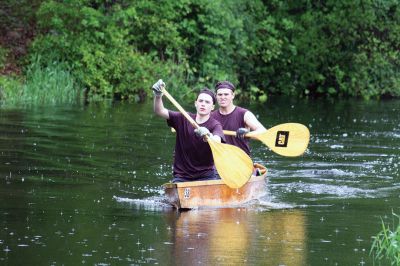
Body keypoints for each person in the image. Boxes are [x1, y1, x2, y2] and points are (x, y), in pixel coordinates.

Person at [152, 79, 225, 183]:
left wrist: (208, 134)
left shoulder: (215, 125)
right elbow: (159, 111)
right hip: (182, 175)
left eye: (207, 102)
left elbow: (217, 141)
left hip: (206, 175)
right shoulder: (183, 117)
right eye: (200, 101)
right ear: (196, 103)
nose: (203, 104)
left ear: (212, 107)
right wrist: (158, 96)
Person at [211, 81, 266, 155]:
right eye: (220, 95)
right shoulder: (211, 116)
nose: (222, 97)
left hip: (241, 159)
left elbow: (263, 132)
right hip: (220, 159)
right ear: (216, 96)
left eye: (226, 94)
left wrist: (247, 133)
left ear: (233, 95)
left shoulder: (244, 114)